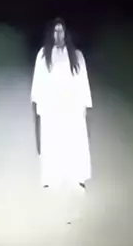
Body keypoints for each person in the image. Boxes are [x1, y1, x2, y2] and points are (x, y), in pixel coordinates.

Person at [31, 18, 93, 191]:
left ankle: (77, 178)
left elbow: (83, 80)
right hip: (52, 105)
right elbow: (38, 80)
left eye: (61, 31)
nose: (58, 34)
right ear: (51, 33)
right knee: (52, 142)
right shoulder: (43, 54)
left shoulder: (76, 55)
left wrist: (84, 104)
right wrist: (39, 104)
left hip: (71, 105)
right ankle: (50, 178)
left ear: (66, 33)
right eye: (55, 31)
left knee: (74, 141)